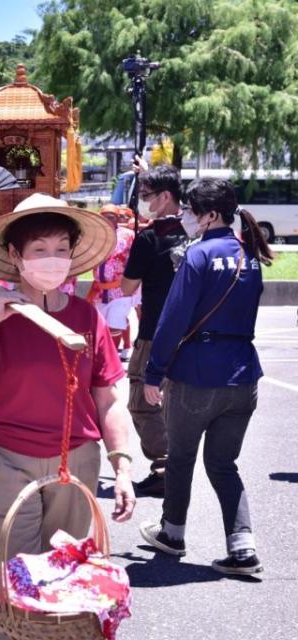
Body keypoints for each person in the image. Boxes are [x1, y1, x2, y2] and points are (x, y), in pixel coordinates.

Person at [0, 193, 136, 640]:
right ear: (16, 255)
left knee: (58, 577)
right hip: (7, 459)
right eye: (39, 248)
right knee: (17, 579)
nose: (52, 258)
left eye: (61, 246)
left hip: (76, 460)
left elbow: (107, 398)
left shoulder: (86, 316)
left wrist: (122, 464)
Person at [139, 178, 273, 576]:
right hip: (242, 374)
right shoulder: (249, 256)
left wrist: (153, 372)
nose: (186, 216)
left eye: (191, 210)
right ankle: (242, 545)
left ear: (210, 214)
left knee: (180, 458)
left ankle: (172, 532)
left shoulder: (197, 257)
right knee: (223, 462)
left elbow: (172, 319)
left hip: (196, 373)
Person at [120, 163, 187, 497]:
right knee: (178, 401)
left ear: (164, 197)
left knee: (142, 401)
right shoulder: (197, 230)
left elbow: (128, 286)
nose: (143, 201)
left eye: (146, 196)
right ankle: (177, 465)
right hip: (190, 335)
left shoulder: (148, 238)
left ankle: (164, 468)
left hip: (153, 332)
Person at [88, 204, 138, 359]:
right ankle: (106, 355)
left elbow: (137, 258)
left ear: (118, 218)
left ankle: (110, 358)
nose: (108, 219)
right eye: (104, 216)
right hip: (99, 290)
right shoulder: (95, 236)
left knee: (115, 324)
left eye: (112, 216)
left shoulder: (128, 235)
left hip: (120, 289)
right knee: (102, 325)